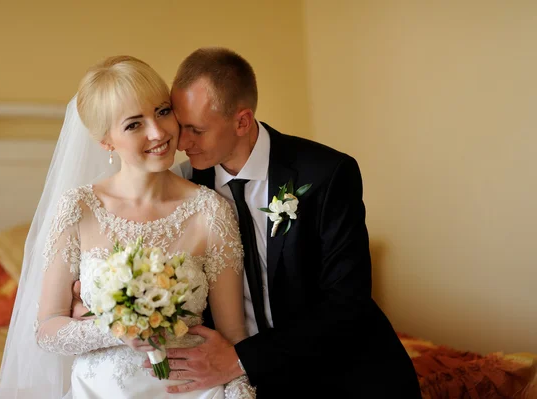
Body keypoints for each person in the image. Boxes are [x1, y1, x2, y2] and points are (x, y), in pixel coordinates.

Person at [155, 47, 422, 398]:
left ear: (242, 121)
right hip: (247, 383)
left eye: (196, 130)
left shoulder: (327, 173)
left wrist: (240, 360)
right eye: (180, 126)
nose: (182, 143)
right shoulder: (183, 185)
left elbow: (347, 304)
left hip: (344, 371)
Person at [0, 55, 255, 398]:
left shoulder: (211, 211)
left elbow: (233, 336)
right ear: (105, 140)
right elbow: (47, 330)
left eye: (162, 111)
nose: (158, 132)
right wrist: (116, 329)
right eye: (134, 124)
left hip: (193, 389)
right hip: (100, 390)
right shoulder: (78, 209)